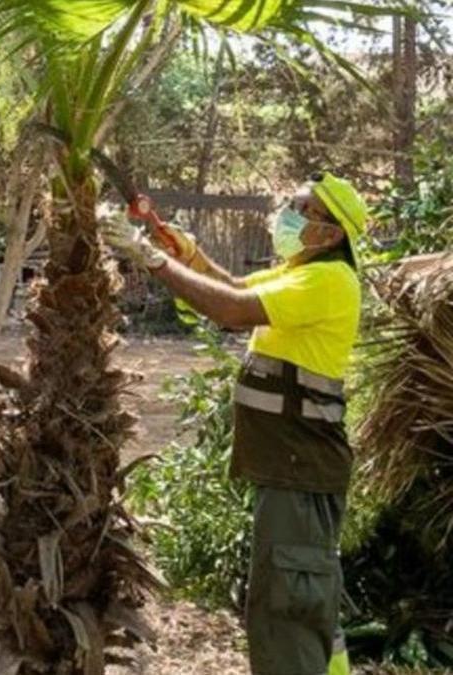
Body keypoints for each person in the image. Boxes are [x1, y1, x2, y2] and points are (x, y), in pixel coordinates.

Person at [102, 172, 366, 675]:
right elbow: (232, 287)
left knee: (290, 602)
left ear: (331, 234)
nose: (287, 214)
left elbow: (230, 310)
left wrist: (153, 260)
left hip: (302, 470)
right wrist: (186, 254)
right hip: (291, 468)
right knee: (298, 597)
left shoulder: (329, 279)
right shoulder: (301, 270)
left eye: (301, 210)